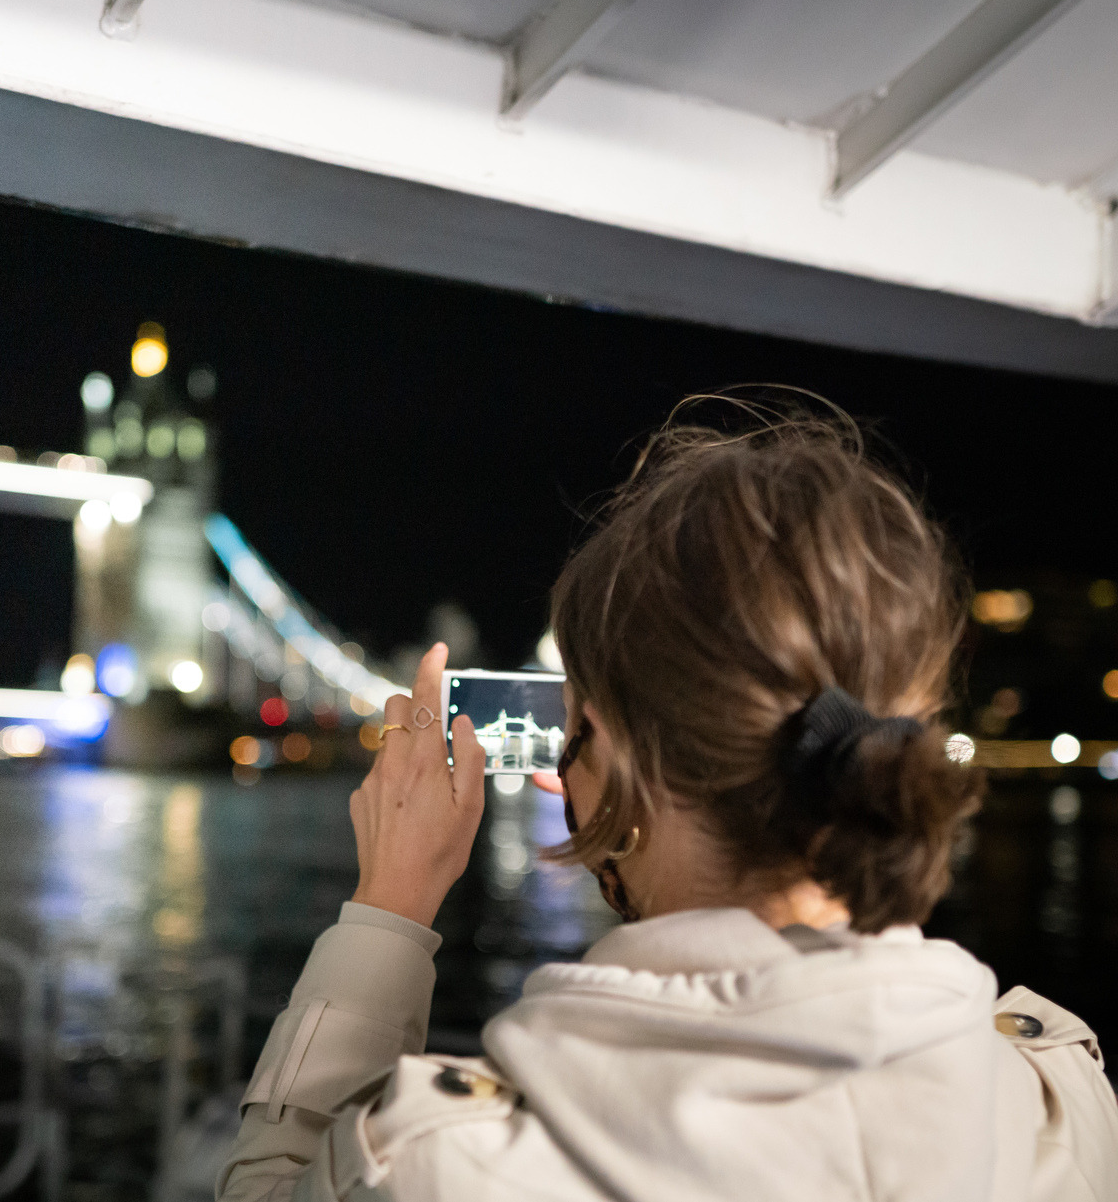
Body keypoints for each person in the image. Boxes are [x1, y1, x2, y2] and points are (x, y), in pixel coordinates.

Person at [218, 403, 1118, 1202]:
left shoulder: (441, 1167)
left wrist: (388, 910)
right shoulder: (1065, 1103)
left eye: (576, 731)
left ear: (614, 758)